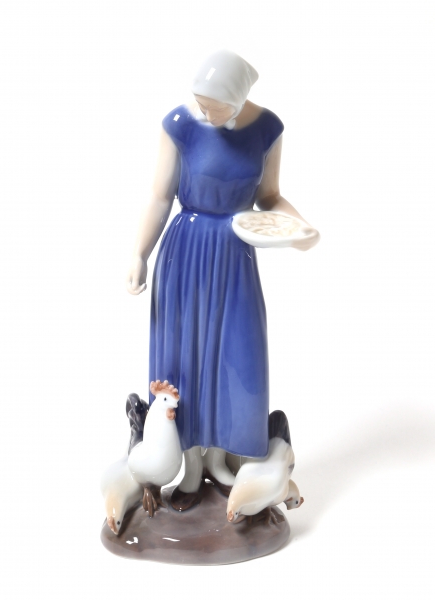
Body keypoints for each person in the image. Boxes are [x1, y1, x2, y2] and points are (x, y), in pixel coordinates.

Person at [125, 50, 319, 510]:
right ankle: (191, 468)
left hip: (234, 256)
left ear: (240, 98)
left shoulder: (268, 130)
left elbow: (269, 196)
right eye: (200, 103)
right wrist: (138, 253)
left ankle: (223, 459)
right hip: (184, 256)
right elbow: (159, 196)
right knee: (184, 362)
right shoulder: (179, 124)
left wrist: (300, 229)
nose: (205, 113)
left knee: (238, 355)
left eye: (215, 106)